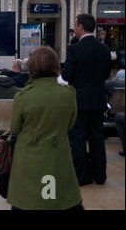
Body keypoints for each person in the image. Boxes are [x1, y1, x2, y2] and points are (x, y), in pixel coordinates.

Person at [7, 46, 83, 210]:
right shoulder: (69, 94)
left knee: (26, 201)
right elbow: (70, 123)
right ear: (56, 67)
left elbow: (15, 128)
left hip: (29, 159)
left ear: (32, 67)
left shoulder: (23, 96)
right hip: (58, 157)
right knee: (60, 200)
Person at [61, 13, 111, 186]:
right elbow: (106, 74)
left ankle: (81, 177)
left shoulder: (74, 49)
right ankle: (100, 175)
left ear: (81, 27)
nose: (75, 28)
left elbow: (67, 75)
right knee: (97, 137)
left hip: (79, 101)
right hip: (98, 100)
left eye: (76, 25)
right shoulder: (104, 49)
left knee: (78, 138)